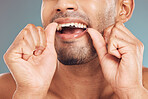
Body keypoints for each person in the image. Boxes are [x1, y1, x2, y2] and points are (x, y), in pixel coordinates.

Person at [0, 0, 148, 98]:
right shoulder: (5, 91)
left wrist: (132, 93)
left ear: (123, 9)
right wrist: (29, 93)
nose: (63, 3)